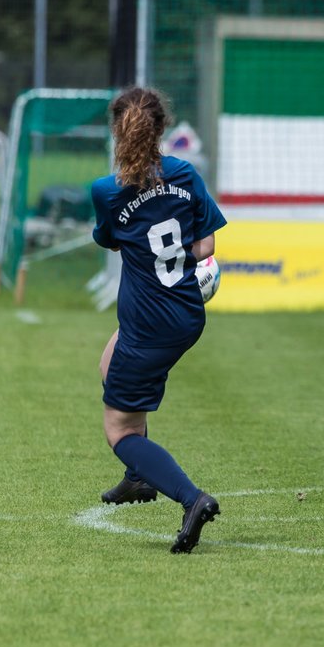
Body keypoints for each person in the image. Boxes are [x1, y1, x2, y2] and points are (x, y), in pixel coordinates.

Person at [91, 86, 227, 554]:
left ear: (117, 132)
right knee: (109, 363)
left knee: (120, 429)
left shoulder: (107, 192)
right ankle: (137, 478)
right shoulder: (186, 173)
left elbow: (110, 241)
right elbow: (206, 247)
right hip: (186, 313)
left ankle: (191, 499)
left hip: (150, 325)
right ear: (161, 129)